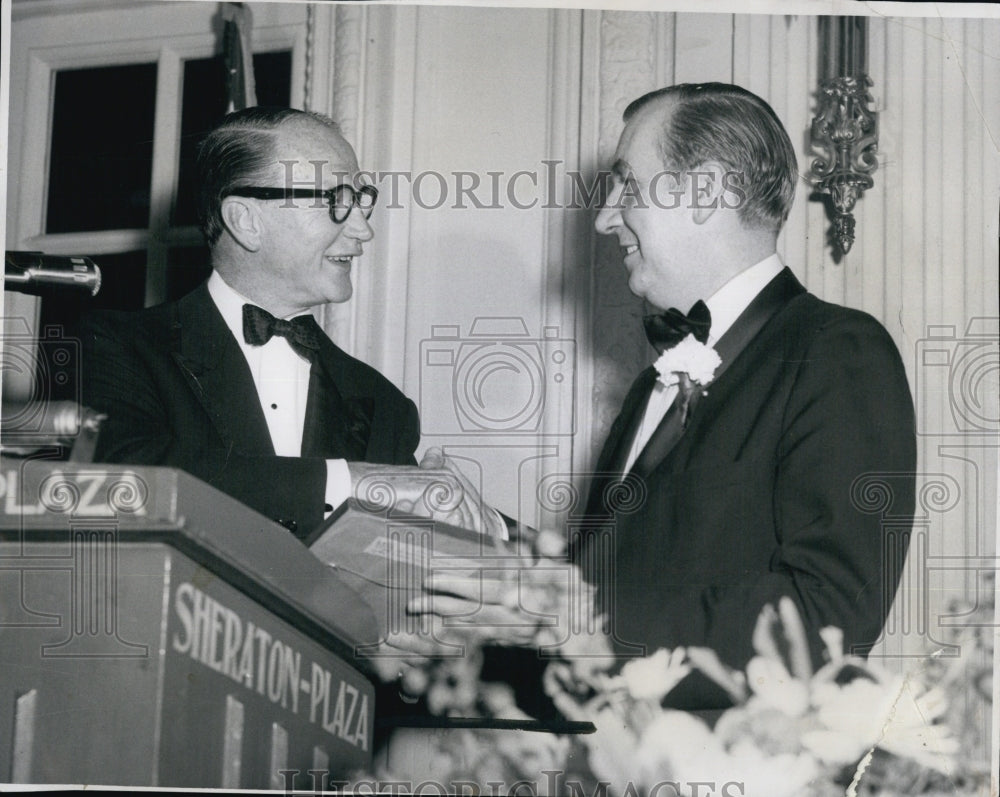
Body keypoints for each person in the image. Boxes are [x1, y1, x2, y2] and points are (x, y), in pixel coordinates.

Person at [409, 83, 917, 710]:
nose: (604, 218)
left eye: (627, 186)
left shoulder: (840, 352)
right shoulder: (653, 384)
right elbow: (616, 578)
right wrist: (492, 536)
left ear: (706, 192)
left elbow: (825, 620)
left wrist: (566, 620)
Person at [82, 107, 490, 539]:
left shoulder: (383, 404)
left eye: (359, 199)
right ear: (246, 221)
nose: (363, 230)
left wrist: (490, 527)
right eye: (334, 200)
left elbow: (423, 534)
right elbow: (125, 481)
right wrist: (353, 483)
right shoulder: (118, 346)